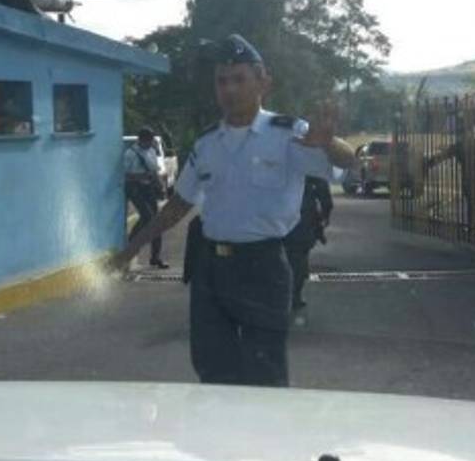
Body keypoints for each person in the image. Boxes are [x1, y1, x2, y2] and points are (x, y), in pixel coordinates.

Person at [111, 34, 356, 387]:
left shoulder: (289, 134)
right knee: (211, 367)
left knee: (263, 371)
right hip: (210, 268)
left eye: (239, 79)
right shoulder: (207, 143)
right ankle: (217, 441)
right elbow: (179, 204)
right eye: (222, 81)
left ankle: (264, 441)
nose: (229, 89)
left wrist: (329, 142)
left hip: (264, 266)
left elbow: (345, 163)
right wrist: (132, 249)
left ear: (263, 83)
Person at [284, 175, 333, 311]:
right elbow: (324, 195)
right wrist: (325, 215)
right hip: (302, 219)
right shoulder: (308, 163)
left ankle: (283, 294)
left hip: (277, 220)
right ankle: (294, 295)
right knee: (299, 258)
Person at [123, 127, 169, 269]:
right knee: (147, 217)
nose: (151, 143)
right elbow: (126, 174)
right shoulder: (130, 154)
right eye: (149, 140)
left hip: (149, 188)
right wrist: (142, 176)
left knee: (157, 221)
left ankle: (155, 257)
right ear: (141, 140)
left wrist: (161, 187)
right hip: (136, 188)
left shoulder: (152, 151)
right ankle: (131, 242)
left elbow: (154, 172)